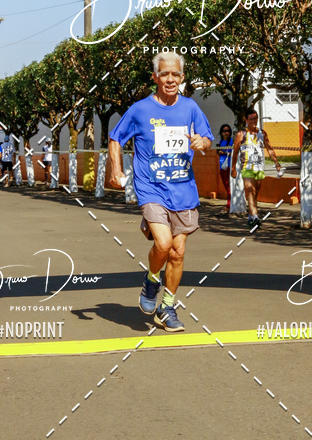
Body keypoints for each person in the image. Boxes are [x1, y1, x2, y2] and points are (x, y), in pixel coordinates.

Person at [108, 51, 213, 333]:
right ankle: (152, 278)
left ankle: (167, 307)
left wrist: (201, 143)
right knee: (164, 244)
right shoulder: (140, 110)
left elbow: (207, 139)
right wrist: (116, 171)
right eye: (164, 74)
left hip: (183, 190)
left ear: (182, 78)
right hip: (151, 188)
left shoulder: (190, 108)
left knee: (178, 253)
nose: (170, 79)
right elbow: (116, 138)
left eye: (175, 74)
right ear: (154, 77)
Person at [231, 109, 281, 229]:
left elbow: (269, 148)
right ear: (246, 120)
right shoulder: (241, 134)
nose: (254, 121)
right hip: (246, 167)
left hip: (259, 167)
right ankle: (255, 217)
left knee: (255, 192)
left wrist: (276, 162)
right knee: (249, 190)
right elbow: (235, 152)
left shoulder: (262, 134)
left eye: (256, 118)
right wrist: (233, 168)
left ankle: (251, 215)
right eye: (251, 119)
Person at [216, 124, 233, 214]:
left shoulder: (232, 141)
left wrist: (225, 152)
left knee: (230, 187)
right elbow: (218, 152)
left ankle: (229, 205)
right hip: (222, 166)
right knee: (227, 187)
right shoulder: (221, 142)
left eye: (227, 131)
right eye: (224, 131)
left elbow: (234, 152)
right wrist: (221, 152)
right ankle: (230, 204)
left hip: (230, 166)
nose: (225, 133)